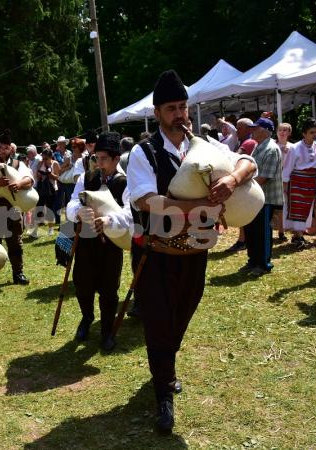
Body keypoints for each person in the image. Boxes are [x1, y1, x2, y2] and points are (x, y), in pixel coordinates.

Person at [126, 70, 256, 434]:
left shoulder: (205, 144)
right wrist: (201, 204)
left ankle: (164, 365)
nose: (180, 114)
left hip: (195, 252)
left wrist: (232, 179)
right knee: (158, 320)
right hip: (156, 253)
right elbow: (147, 201)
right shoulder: (144, 152)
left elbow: (249, 161)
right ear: (157, 113)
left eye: (183, 106)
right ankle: (163, 391)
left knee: (182, 312)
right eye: (172, 108)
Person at [66, 132, 132, 351]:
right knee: (82, 284)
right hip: (85, 242)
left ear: (115, 159)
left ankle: (106, 330)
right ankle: (87, 318)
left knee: (108, 289)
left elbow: (129, 213)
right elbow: (72, 202)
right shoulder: (87, 178)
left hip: (111, 244)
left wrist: (109, 220)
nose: (99, 163)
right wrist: (78, 212)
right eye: (96, 158)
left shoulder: (125, 183)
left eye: (104, 159)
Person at [0, 129, 34, 285]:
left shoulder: (18, 163)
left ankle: (18, 273)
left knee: (15, 241)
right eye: (0, 147)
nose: (3, 150)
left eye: (6, 147)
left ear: (11, 149)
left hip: (13, 206)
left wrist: (19, 183)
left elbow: (29, 179)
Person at [243, 118, 283, 276]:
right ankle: (253, 260)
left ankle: (264, 264)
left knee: (263, 233)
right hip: (255, 198)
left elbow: (264, 177)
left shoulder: (271, 149)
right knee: (252, 230)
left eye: (255, 128)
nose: (252, 131)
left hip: (267, 199)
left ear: (265, 130)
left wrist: (241, 184)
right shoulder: (258, 147)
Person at [282, 119, 316, 249]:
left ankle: (298, 235)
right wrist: (285, 184)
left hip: (311, 182)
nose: (315, 134)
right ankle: (298, 236)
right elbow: (288, 167)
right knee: (296, 208)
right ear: (304, 134)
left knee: (307, 209)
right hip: (296, 182)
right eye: (311, 132)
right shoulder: (295, 148)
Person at [34, 149, 60, 236]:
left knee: (50, 209)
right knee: (38, 208)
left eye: (46, 158)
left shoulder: (55, 163)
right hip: (41, 188)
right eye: (43, 158)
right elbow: (37, 176)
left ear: (50, 157)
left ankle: (51, 228)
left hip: (52, 189)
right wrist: (40, 174)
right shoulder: (40, 163)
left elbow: (57, 177)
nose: (44, 160)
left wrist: (49, 173)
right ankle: (35, 230)